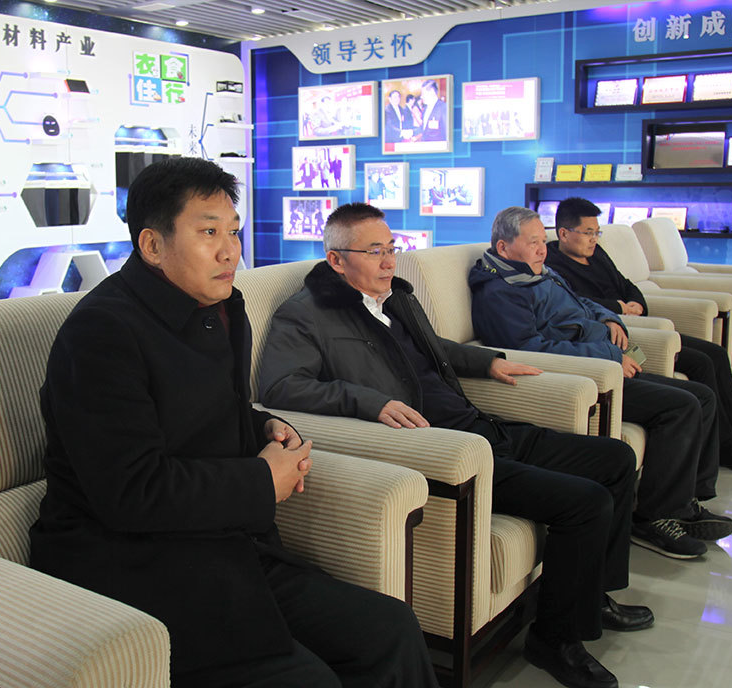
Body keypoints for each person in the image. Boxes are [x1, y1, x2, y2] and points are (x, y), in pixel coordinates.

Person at [29, 158, 438, 688]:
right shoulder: (101, 332)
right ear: (152, 245)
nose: (230, 251)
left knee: (390, 628)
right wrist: (262, 481)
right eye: (208, 233)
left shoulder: (220, 306)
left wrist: (261, 426)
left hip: (224, 543)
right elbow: (130, 490)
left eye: (234, 232)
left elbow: (201, 407)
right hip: (133, 561)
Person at [260, 201, 655, 688]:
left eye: (392, 248)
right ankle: (555, 641)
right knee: (587, 502)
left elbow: (434, 348)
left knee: (615, 459)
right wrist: (369, 402)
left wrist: (487, 361)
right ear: (337, 259)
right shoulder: (306, 314)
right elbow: (280, 387)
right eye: (374, 251)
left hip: (480, 424)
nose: (389, 261)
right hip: (449, 449)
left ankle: (592, 597)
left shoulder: (396, 298)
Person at [470, 206, 732, 562]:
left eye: (542, 241)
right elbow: (530, 349)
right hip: (589, 372)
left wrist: (611, 319)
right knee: (681, 406)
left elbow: (582, 303)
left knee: (701, 395)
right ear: (504, 248)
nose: (542, 249)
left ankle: (685, 503)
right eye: (533, 242)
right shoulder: (501, 291)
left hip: (607, 354)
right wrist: (607, 355)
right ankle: (654, 518)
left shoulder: (538, 272)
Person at [546, 197, 732, 474]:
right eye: (588, 233)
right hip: (623, 337)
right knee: (701, 363)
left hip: (637, 323)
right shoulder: (553, 265)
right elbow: (577, 303)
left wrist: (636, 302)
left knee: (715, 354)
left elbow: (626, 284)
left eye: (597, 232)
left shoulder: (597, 253)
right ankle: (727, 448)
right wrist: (619, 308)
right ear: (564, 233)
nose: (594, 239)